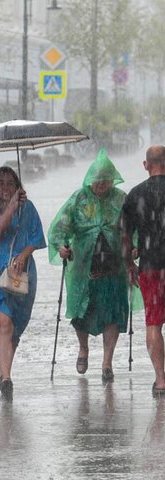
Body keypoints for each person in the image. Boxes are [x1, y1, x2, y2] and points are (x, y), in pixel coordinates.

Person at [48, 149, 129, 383]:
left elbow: (132, 229)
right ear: (89, 179)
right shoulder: (79, 199)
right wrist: (62, 246)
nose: (101, 185)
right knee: (81, 313)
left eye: (106, 180)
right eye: (97, 180)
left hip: (113, 268)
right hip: (84, 268)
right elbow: (60, 227)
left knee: (112, 315)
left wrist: (134, 247)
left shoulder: (120, 199)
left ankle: (107, 362)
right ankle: (83, 349)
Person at [0, 167, 45, 401]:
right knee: (4, 323)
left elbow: (36, 236)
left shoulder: (27, 209)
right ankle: (7, 378)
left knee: (14, 328)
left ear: (17, 185)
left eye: (10, 183)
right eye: (0, 183)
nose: (5, 188)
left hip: (22, 273)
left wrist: (23, 255)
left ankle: (4, 369)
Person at [121, 144, 165, 396]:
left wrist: (129, 263)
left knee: (154, 324)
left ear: (146, 165)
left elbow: (124, 234)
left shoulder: (136, 195)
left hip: (151, 268)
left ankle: (160, 380)